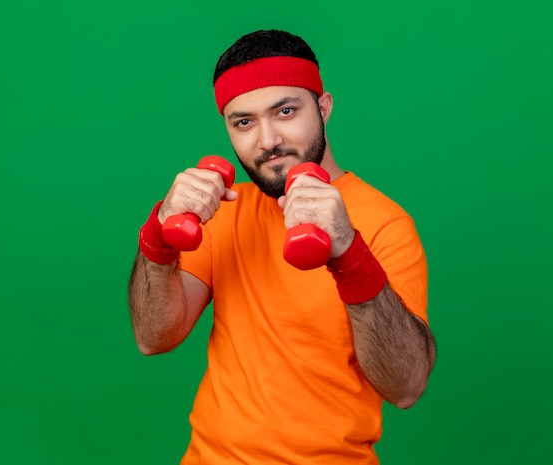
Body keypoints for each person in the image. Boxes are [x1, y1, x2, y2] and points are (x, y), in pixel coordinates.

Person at [128, 29, 436, 464]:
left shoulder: (386, 223)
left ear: (324, 108)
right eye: (244, 122)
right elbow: (154, 337)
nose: (267, 140)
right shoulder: (225, 211)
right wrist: (159, 234)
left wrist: (347, 251)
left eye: (286, 111)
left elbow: (406, 388)